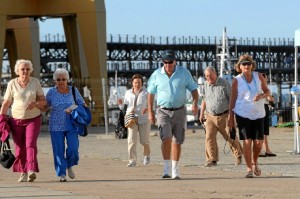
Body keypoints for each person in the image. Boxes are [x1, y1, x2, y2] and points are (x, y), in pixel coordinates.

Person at [147, 50, 199, 179]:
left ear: (175, 61)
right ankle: (166, 168)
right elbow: (150, 94)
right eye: (165, 62)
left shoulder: (184, 72)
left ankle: (175, 169)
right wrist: (150, 112)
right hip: (162, 111)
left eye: (170, 62)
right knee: (166, 138)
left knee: (177, 140)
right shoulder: (156, 74)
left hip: (180, 111)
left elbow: (194, 89)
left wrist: (194, 103)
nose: (168, 64)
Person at [0, 59, 46, 182]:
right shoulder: (12, 84)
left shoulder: (35, 82)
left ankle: (31, 169)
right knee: (19, 147)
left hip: (33, 119)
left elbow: (43, 101)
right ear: (17, 71)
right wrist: (1, 118)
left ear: (30, 70)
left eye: (27, 69)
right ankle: (22, 171)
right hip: (16, 120)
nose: (25, 71)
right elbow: (6, 103)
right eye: (22, 69)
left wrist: (35, 103)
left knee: (30, 144)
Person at [228, 54, 270, 178]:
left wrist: (262, 96)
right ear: (239, 66)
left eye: (248, 64)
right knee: (247, 141)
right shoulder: (237, 80)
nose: (246, 66)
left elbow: (267, 91)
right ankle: (248, 169)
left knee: (258, 143)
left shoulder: (259, 76)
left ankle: (254, 161)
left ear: (252, 65)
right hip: (243, 113)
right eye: (244, 64)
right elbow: (233, 98)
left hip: (259, 113)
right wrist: (230, 116)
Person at [44, 68, 85, 182]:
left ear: (67, 79)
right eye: (58, 79)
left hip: (71, 123)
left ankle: (69, 165)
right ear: (55, 81)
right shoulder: (51, 92)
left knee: (73, 148)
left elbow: (82, 104)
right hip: (55, 125)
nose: (61, 81)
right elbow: (45, 106)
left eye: (63, 79)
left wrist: (71, 108)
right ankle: (62, 173)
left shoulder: (73, 90)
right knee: (58, 150)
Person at [199, 66, 243, 167]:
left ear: (215, 74)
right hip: (210, 116)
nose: (209, 78)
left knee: (230, 136)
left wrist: (231, 116)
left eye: (211, 75)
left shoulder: (224, 83)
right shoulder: (205, 84)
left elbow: (232, 99)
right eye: (206, 76)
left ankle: (238, 154)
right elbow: (204, 100)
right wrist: (201, 114)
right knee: (209, 137)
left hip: (224, 115)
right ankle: (212, 159)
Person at [118, 74, 151, 167]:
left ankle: (147, 154)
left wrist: (147, 108)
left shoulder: (146, 92)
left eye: (139, 83)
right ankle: (132, 160)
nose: (137, 84)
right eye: (135, 82)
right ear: (132, 83)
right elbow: (124, 106)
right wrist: (120, 105)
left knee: (144, 141)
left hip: (144, 118)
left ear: (142, 83)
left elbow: (152, 104)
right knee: (131, 140)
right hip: (131, 118)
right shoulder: (128, 92)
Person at [259, 73, 277, 157]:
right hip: (262, 108)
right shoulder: (262, 88)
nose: (266, 80)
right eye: (265, 78)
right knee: (262, 131)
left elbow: (271, 99)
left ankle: (267, 149)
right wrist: (270, 97)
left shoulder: (263, 87)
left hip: (264, 108)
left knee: (265, 132)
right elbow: (270, 98)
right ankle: (259, 150)